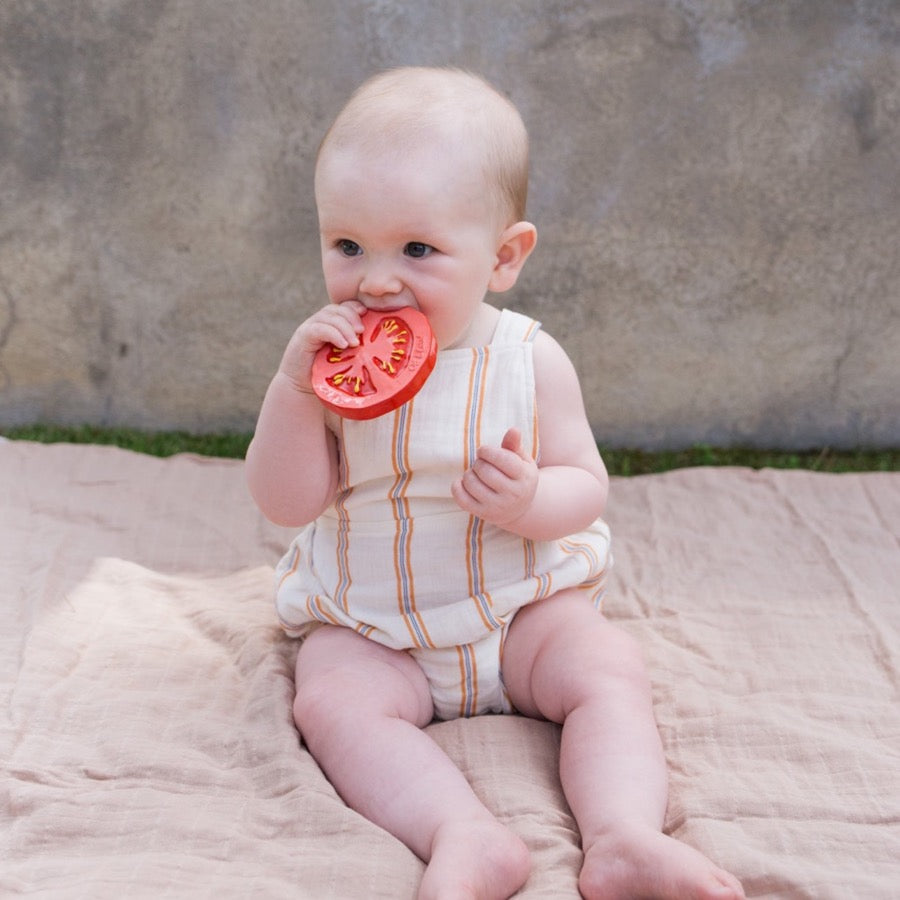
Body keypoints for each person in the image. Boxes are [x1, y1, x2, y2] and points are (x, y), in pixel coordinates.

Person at [246, 66, 744, 900]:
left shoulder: (527, 359)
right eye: (347, 247)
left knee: (607, 667)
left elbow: (585, 485)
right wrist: (292, 392)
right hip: (377, 625)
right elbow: (286, 502)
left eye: (417, 250)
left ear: (504, 257)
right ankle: (465, 835)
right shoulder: (327, 371)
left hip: (517, 614)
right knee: (328, 699)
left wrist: (528, 501)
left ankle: (621, 838)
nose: (375, 280)